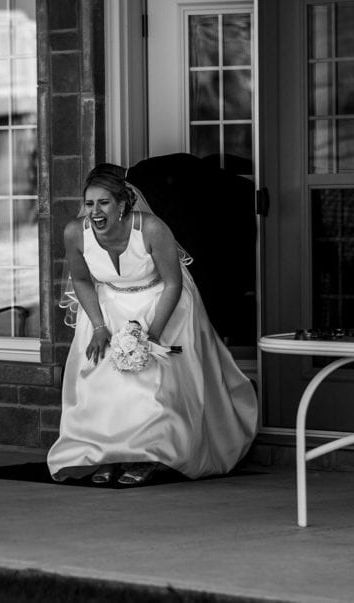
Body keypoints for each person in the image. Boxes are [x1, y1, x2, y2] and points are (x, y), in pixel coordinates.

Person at [47, 163, 258, 486]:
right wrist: (100, 327)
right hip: (109, 305)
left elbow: (173, 283)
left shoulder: (152, 229)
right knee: (99, 381)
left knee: (151, 385)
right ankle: (107, 454)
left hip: (160, 302)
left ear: (122, 204)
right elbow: (82, 280)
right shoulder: (75, 232)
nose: (95, 211)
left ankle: (148, 456)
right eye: (89, 203)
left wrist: (153, 335)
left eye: (104, 203)